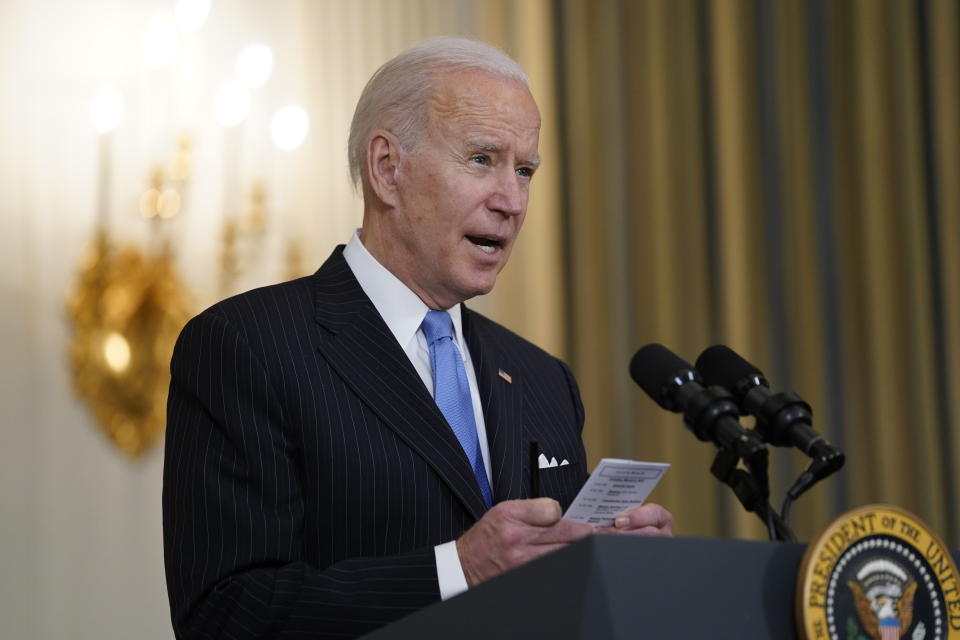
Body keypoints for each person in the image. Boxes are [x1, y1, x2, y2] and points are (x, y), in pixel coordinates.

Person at [162, 36, 672, 639]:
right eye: (482, 159)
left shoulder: (542, 378)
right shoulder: (247, 346)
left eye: (526, 170)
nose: (511, 200)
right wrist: (455, 570)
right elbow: (225, 614)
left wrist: (609, 565)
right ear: (387, 168)